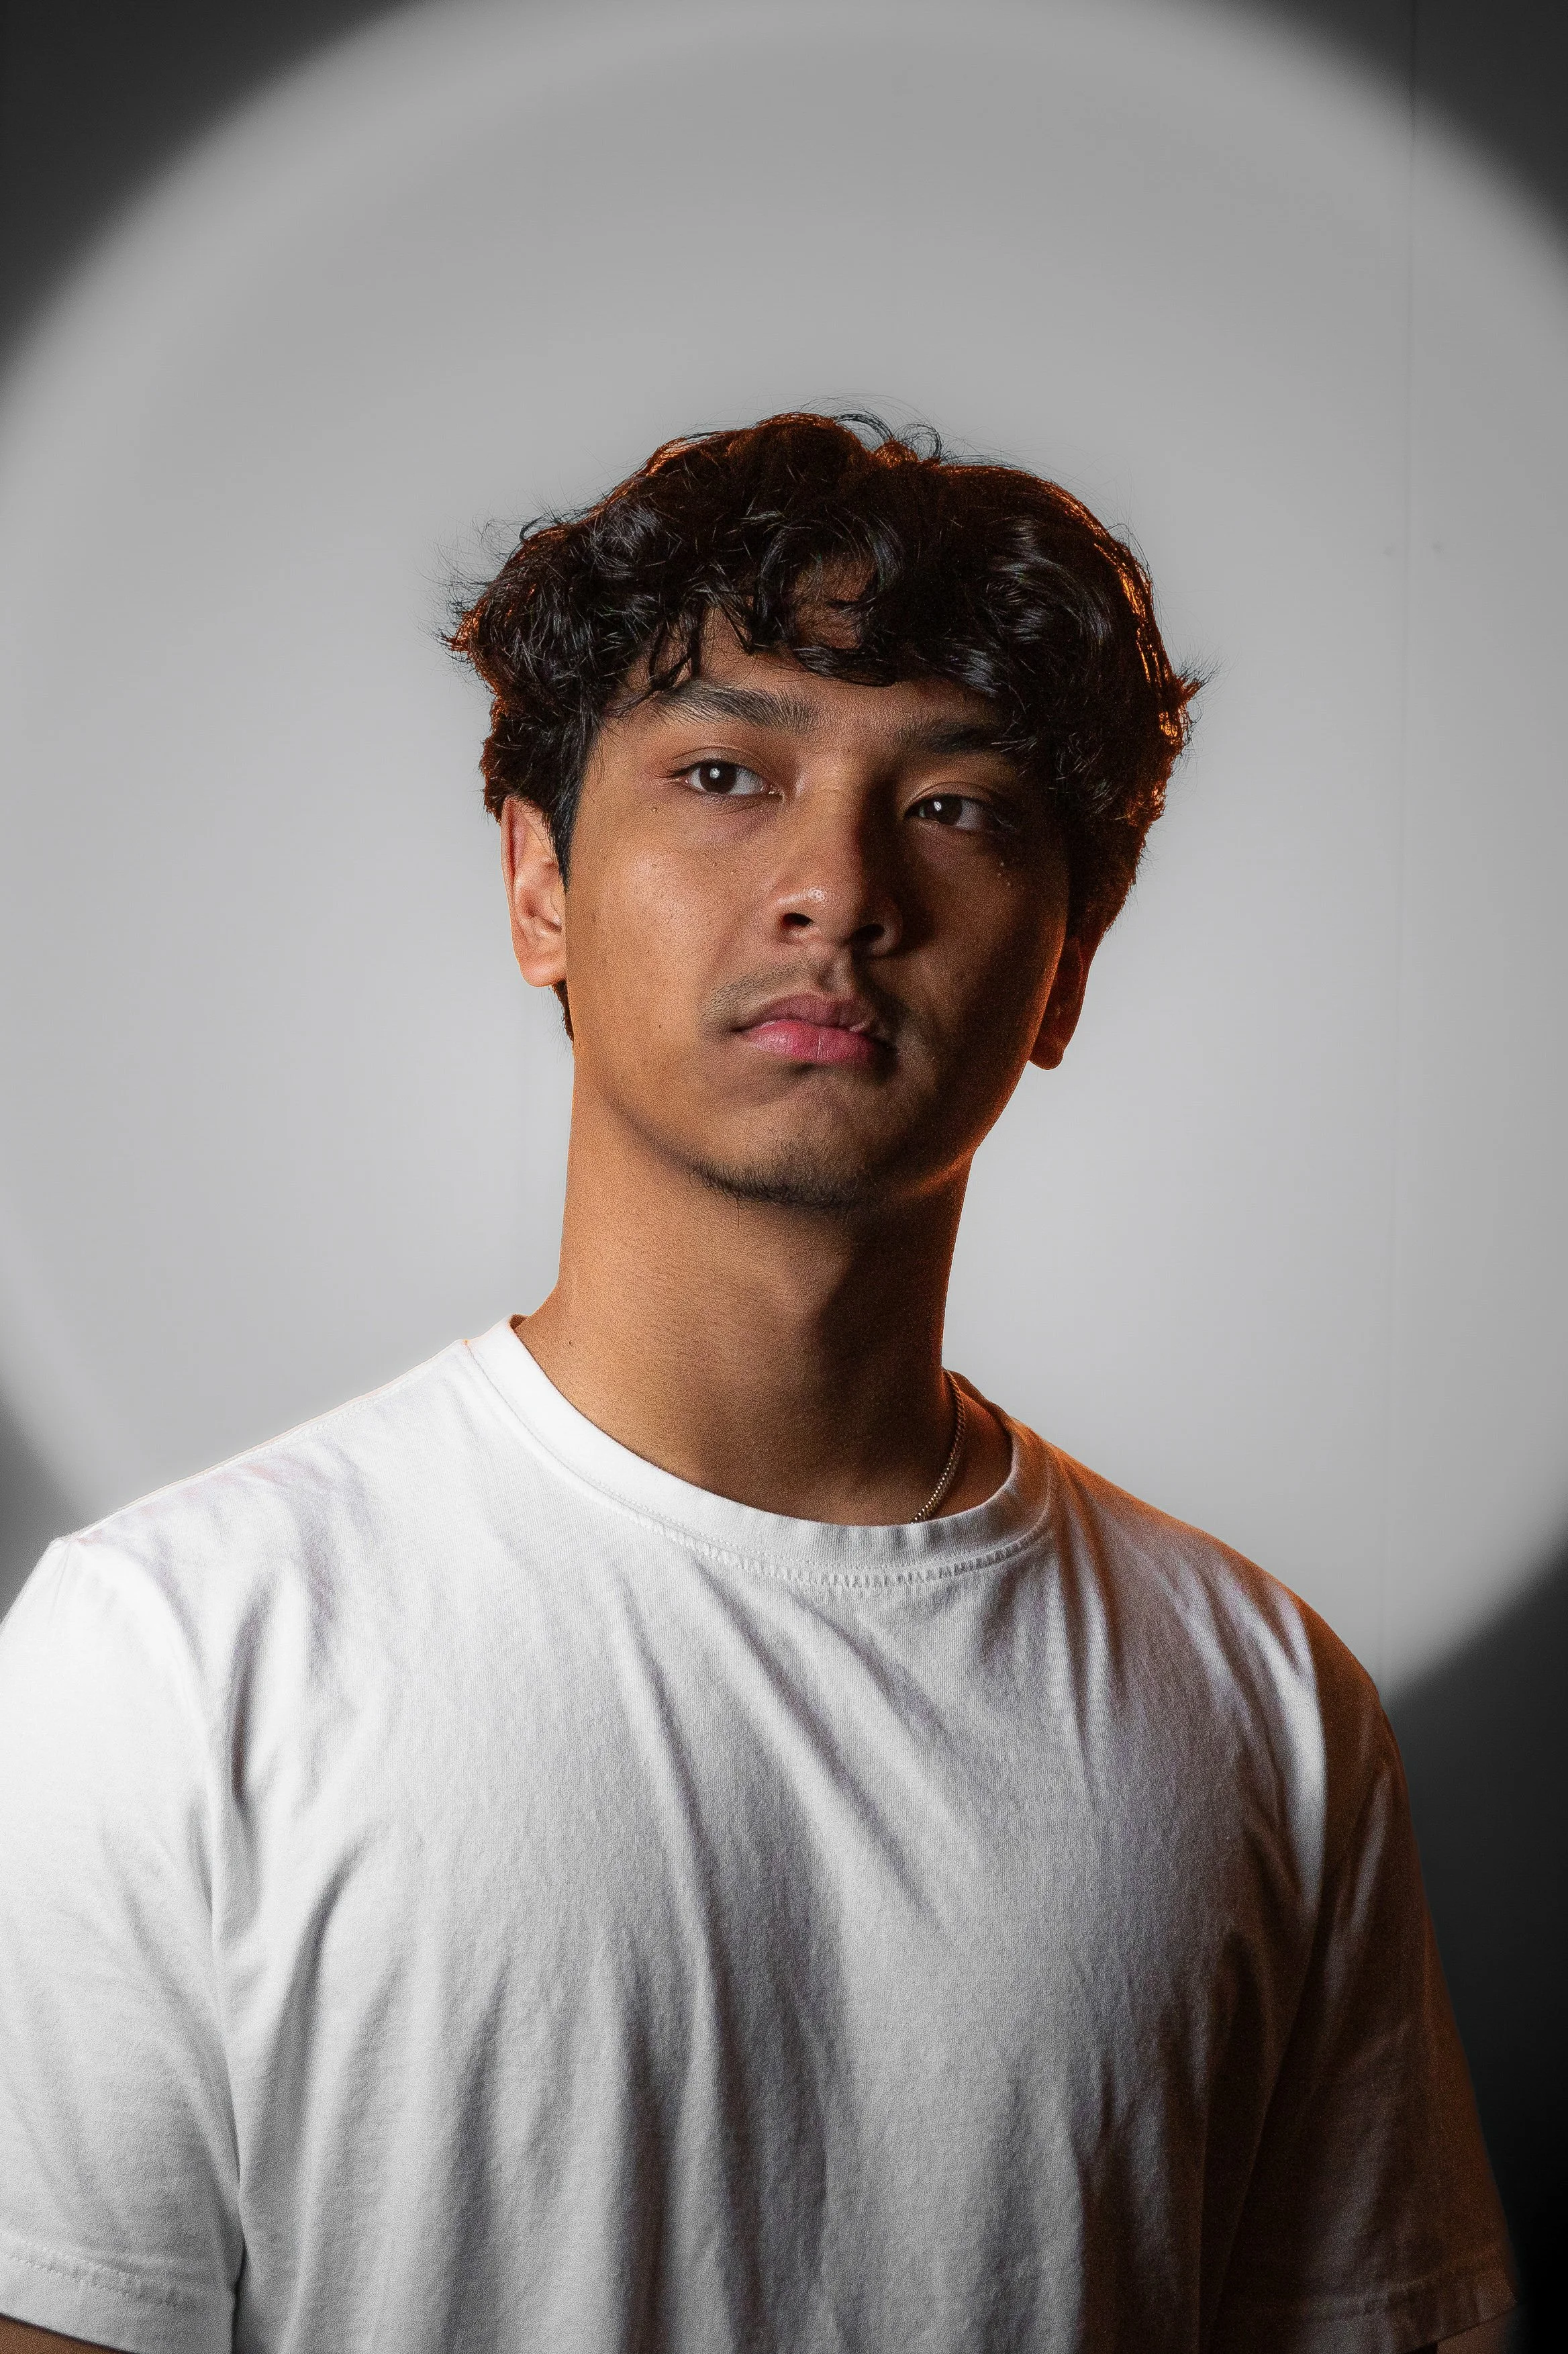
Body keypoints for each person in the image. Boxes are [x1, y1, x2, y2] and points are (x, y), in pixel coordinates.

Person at [0, 413, 1515, 2354]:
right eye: (724, 775)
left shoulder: (1269, 1708)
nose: (834, 890)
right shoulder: (176, 1652)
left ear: (1065, 968)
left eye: (956, 807)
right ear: (540, 884)